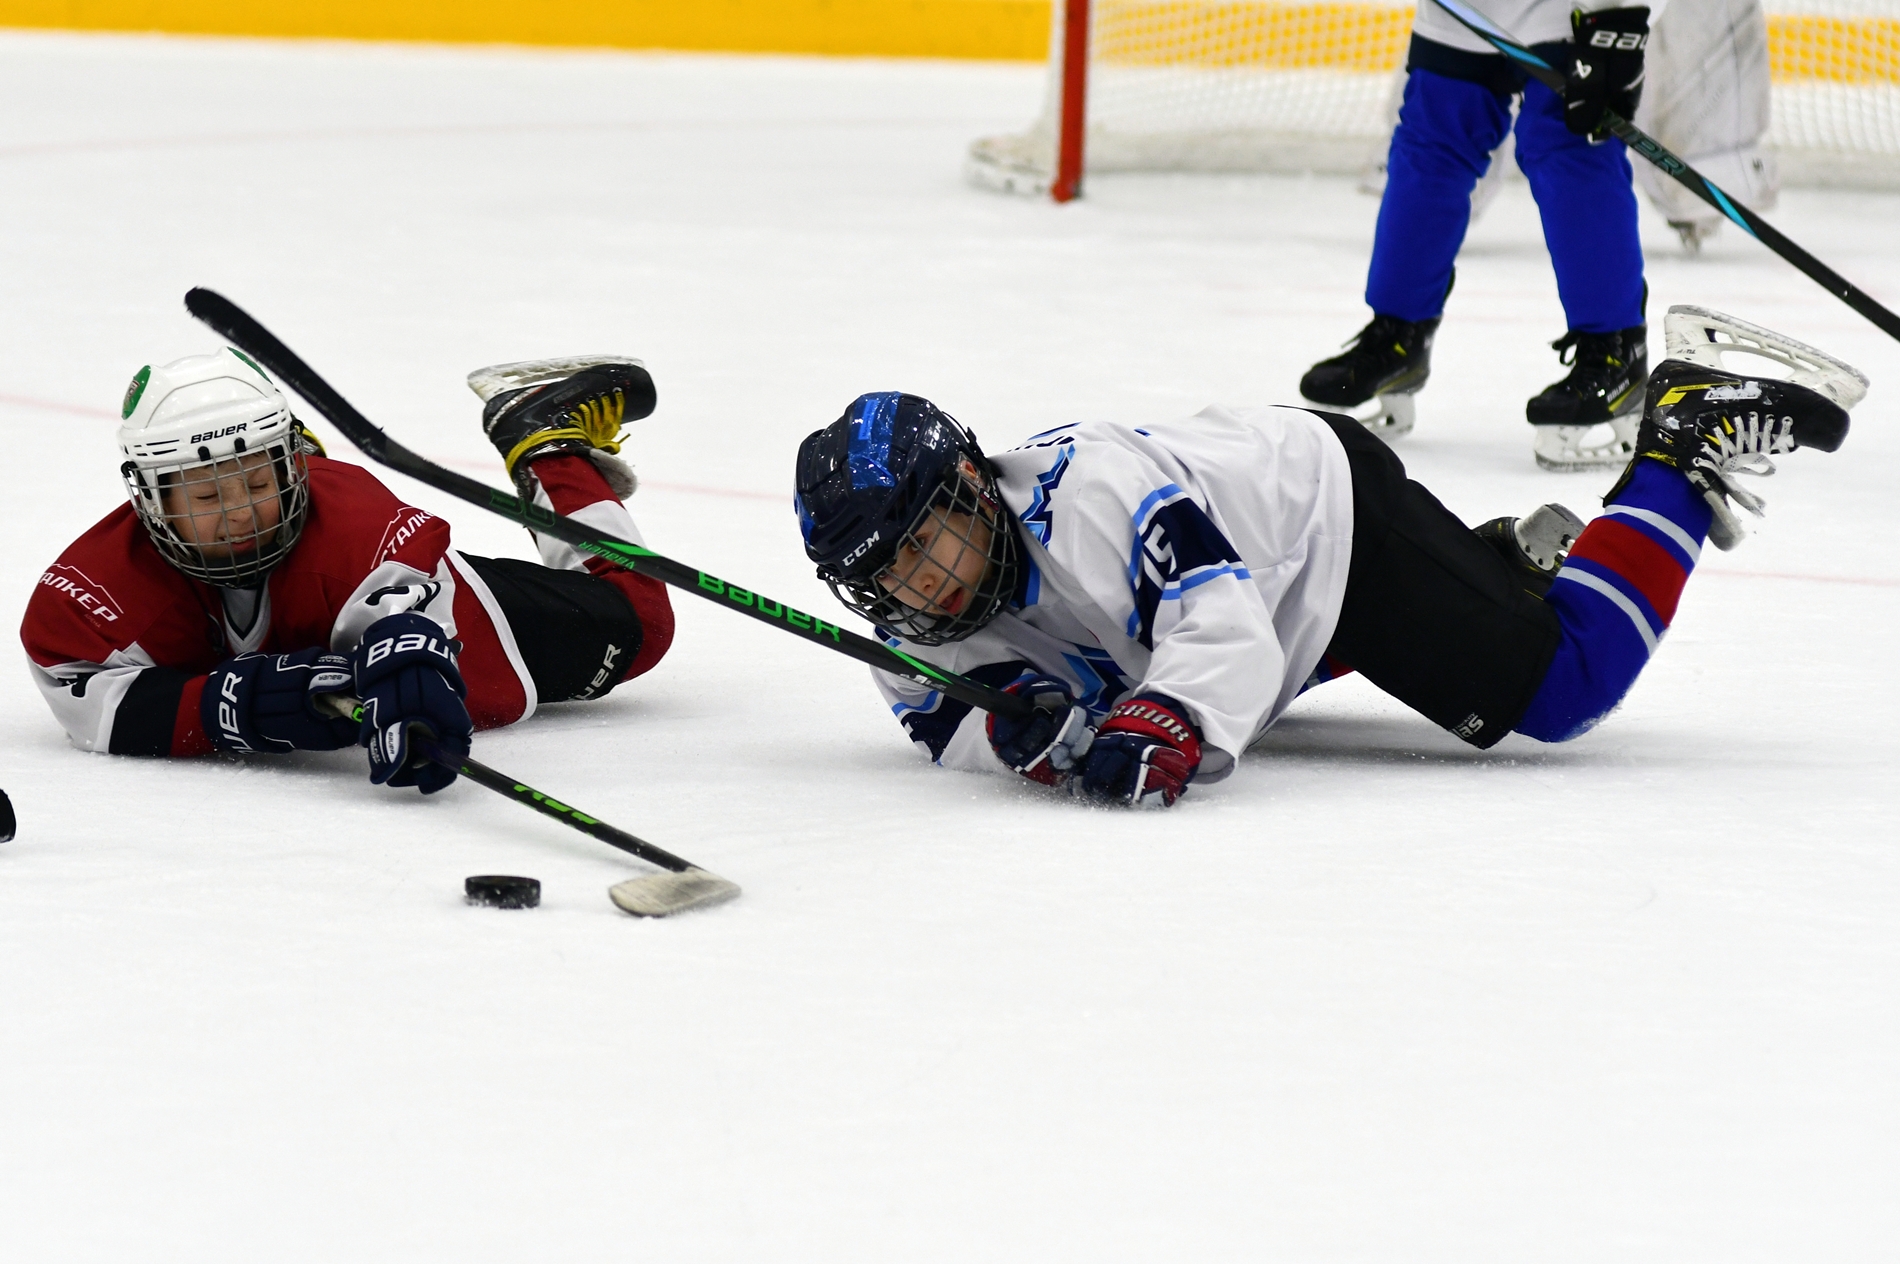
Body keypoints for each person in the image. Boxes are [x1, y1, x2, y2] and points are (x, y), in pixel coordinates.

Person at [793, 308, 1862, 807]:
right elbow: (950, 727)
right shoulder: (903, 631)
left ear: (974, 484)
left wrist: (1168, 719)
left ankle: (1681, 438)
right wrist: (1018, 740)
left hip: (1323, 522)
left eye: (924, 539)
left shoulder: (1096, 498)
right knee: (1148, 669)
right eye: (883, 572)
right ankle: (1490, 573)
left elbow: (1221, 629)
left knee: (1564, 687)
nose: (916, 582)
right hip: (1259, 586)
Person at [21, 347, 673, 793]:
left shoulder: (365, 537)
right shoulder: (95, 590)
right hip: (320, 586)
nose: (242, 513)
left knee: (640, 622)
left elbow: (413, 629)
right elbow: (87, 701)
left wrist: (411, 670)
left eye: (260, 480)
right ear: (149, 498)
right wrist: (238, 705)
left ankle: (543, 436)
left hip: (366, 580)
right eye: (208, 494)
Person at [1300, 0, 1654, 471]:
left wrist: (1618, 15)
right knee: (1432, 138)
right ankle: (1398, 338)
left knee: (1568, 141)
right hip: (1463, 9)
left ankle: (1615, 354)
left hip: (1571, 11)